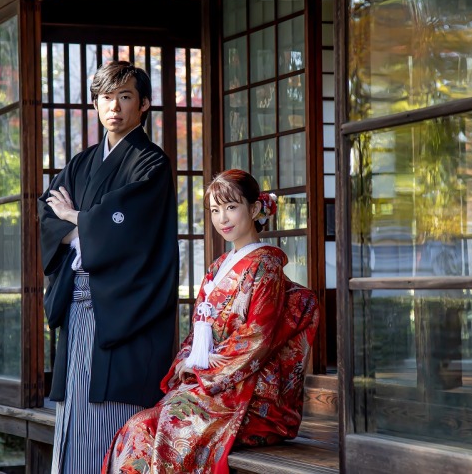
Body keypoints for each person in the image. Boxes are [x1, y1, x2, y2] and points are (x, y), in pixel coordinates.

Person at [102, 169, 319, 474]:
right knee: (139, 426)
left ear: (254, 208)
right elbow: (198, 332)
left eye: (231, 207)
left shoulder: (266, 265)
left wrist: (205, 369)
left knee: (159, 430)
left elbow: (257, 337)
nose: (222, 219)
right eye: (215, 210)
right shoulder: (218, 267)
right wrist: (188, 361)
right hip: (213, 385)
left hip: (246, 393)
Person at [38, 61, 179, 474]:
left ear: (144, 104)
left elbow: (132, 230)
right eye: (105, 98)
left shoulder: (151, 164)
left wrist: (77, 218)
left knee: (113, 417)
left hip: (124, 311)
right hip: (78, 302)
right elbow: (47, 214)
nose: (113, 107)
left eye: (125, 97)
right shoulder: (81, 163)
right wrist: (85, 225)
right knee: (74, 410)